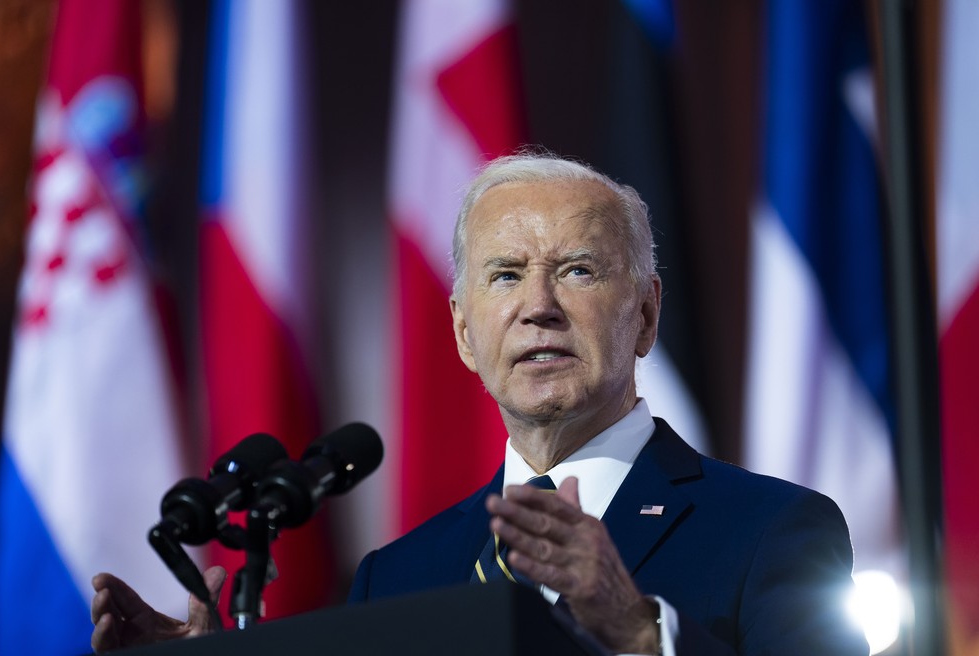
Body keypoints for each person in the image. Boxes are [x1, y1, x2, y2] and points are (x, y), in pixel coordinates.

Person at [91, 152, 869, 655]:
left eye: (578, 271)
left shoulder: (773, 532)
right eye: (504, 276)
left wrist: (641, 632)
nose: (538, 307)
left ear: (647, 315)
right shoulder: (396, 578)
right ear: (465, 333)